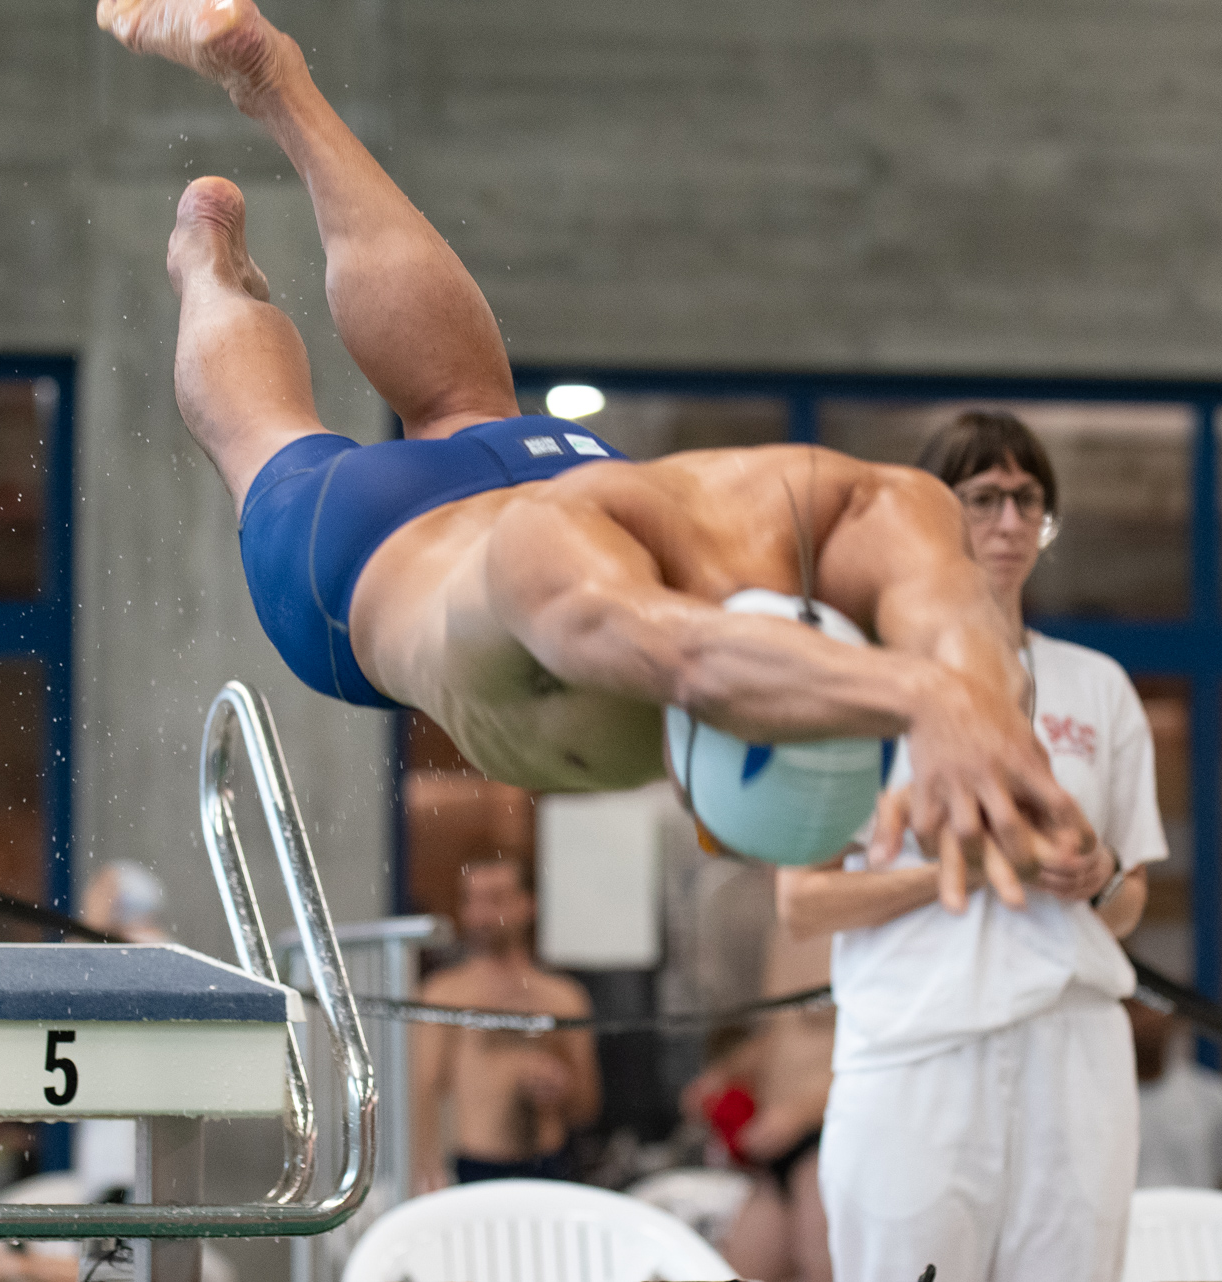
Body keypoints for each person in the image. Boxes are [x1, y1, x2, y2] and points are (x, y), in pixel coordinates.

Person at [94, 0, 1099, 902]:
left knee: (466, 402)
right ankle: (203, 267)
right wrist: (931, 694)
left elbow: (945, 599)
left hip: (563, 470)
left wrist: (977, 712)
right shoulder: (569, 589)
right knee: (263, 436)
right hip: (355, 563)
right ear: (699, 779)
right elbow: (687, 657)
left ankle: (281, 85)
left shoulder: (795, 508)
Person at [778, 410, 1167, 1282]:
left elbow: (1129, 903)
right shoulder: (860, 681)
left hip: (1073, 1037)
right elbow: (801, 902)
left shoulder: (1097, 687)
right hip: (918, 1040)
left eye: (1030, 501)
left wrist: (1096, 872)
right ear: (934, 517)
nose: (1010, 523)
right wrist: (970, 870)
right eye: (984, 498)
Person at [410, 860, 600, 1189]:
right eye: (472, 901)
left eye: (495, 899)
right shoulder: (445, 993)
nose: (481, 915)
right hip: (474, 1169)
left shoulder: (564, 997)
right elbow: (423, 1091)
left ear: (528, 905)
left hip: (550, 1167)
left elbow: (588, 1105)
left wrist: (563, 1089)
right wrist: (427, 1171)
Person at [680, 926, 834, 1282]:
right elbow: (779, 1034)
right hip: (778, 1143)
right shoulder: (787, 931)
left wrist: (799, 1114)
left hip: (829, 1137)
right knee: (736, 1269)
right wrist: (724, 1074)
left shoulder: (865, 920)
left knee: (821, 1266)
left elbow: (887, 1056)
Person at [1128, 997, 1222, 1193]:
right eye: (1134, 1008)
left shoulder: (1215, 1095)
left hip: (1200, 1212)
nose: (1147, 1018)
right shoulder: (1095, 1104)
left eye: (1154, 1006)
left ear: (1172, 1014)